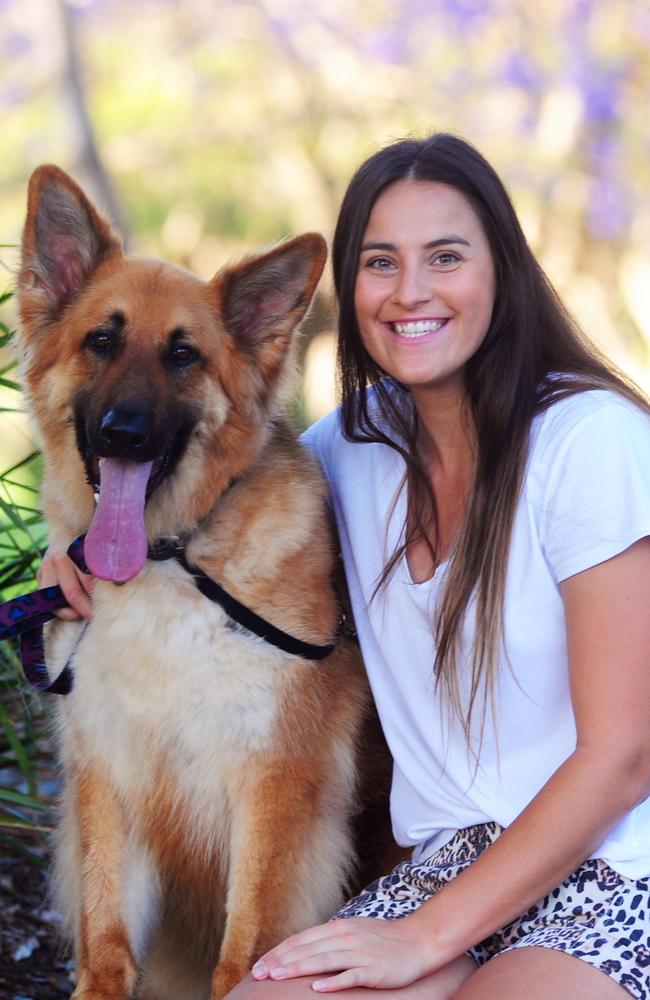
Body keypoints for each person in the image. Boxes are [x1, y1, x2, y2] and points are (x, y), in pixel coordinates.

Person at [40, 133, 650, 1000]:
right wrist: (66, 555)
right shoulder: (351, 448)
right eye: (380, 262)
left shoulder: (591, 440)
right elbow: (224, 489)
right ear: (350, 290)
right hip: (446, 870)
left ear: (503, 271)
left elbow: (625, 755)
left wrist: (422, 942)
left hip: (615, 867)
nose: (410, 292)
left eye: (445, 256)